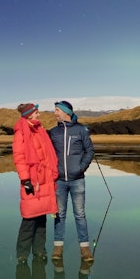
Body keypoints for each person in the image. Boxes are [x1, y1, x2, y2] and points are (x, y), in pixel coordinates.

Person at [49, 100, 95, 263]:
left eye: (56, 110)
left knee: (80, 214)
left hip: (77, 180)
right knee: (59, 214)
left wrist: (81, 168)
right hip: (59, 181)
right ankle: (58, 247)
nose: (54, 113)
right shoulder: (53, 132)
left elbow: (90, 151)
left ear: (65, 111)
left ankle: (85, 249)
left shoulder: (81, 130)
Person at [12, 102, 58, 263]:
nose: (39, 115)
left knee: (41, 219)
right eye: (37, 112)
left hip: (45, 180)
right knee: (29, 219)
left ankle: (39, 250)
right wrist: (25, 179)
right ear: (30, 114)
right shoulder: (21, 132)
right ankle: (22, 254)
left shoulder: (40, 130)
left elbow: (46, 155)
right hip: (32, 180)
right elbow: (19, 157)